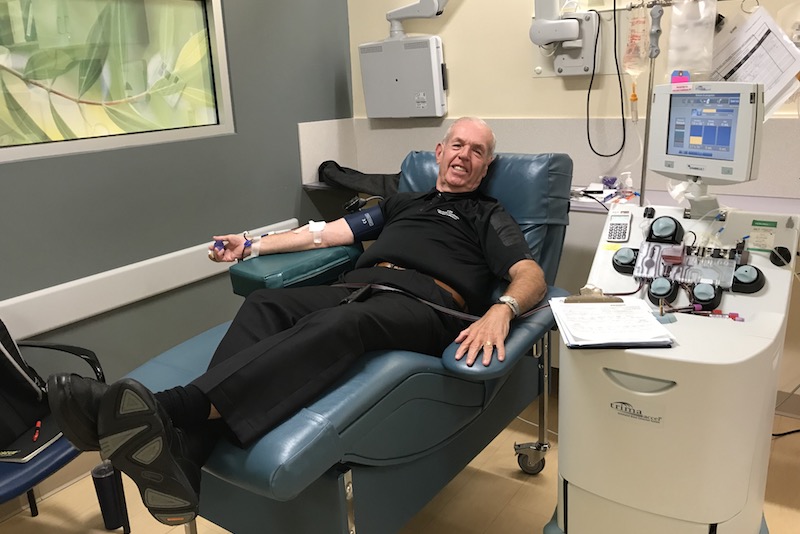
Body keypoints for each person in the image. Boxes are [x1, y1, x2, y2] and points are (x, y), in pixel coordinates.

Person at [47, 117, 547, 526]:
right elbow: (327, 235)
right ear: (438, 151)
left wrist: (503, 310)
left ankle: (165, 409)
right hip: (358, 287)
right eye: (457, 144)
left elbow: (530, 273)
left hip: (425, 305)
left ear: (486, 166)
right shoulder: (401, 204)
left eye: (478, 151)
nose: (464, 155)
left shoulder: (487, 214)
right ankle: (188, 447)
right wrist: (253, 244)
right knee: (267, 304)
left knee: (339, 328)